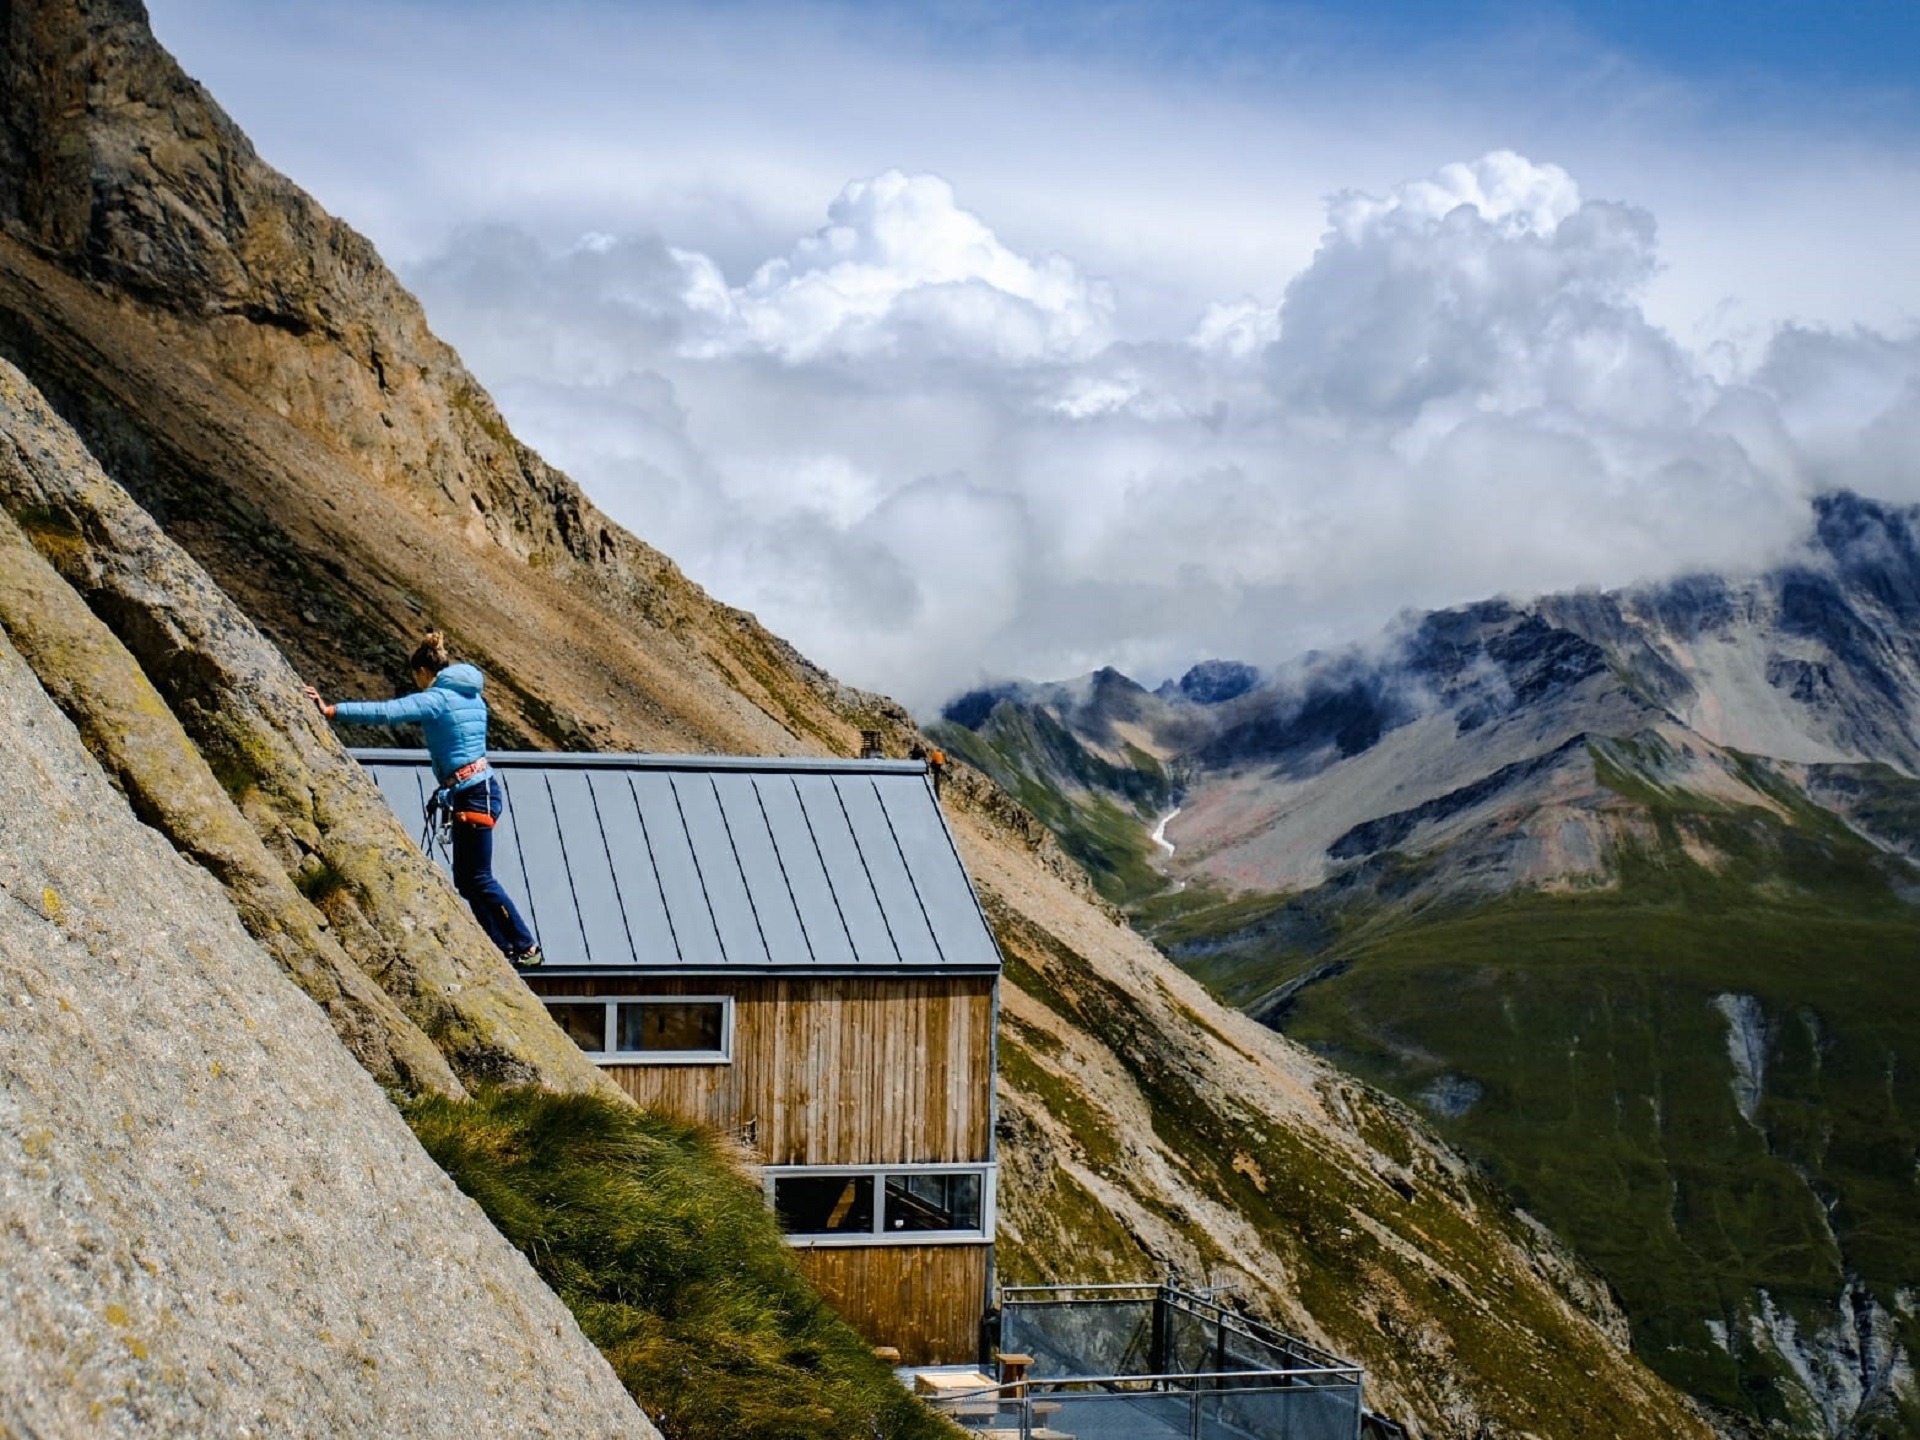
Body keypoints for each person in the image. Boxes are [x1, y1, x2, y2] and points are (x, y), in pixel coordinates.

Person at [304, 630, 541, 967]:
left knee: (478, 878)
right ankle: (505, 946)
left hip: (472, 793)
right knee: (468, 878)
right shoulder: (471, 695)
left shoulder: (436, 697)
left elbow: (387, 712)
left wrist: (331, 710)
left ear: (422, 672)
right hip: (479, 789)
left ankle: (524, 945)